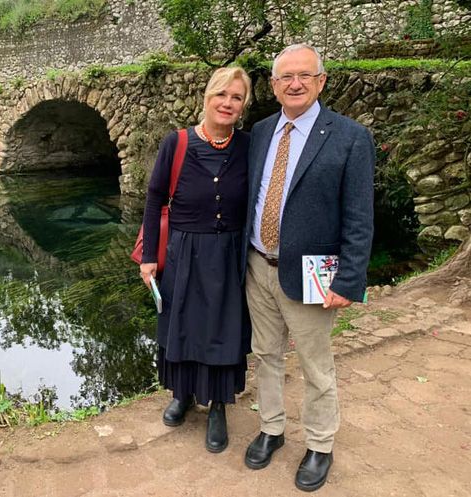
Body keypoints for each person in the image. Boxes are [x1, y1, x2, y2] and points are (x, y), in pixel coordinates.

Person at [242, 43, 374, 491]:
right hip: (258, 265)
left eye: (304, 76)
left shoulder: (350, 137)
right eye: (285, 77)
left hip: (314, 272)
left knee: (317, 365)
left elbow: (359, 216)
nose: (294, 84)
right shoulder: (260, 131)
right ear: (274, 85)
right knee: (266, 355)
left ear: (321, 81)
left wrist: (349, 279)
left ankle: (319, 444)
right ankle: (272, 429)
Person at [139, 66, 252, 453]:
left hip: (229, 254)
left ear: (243, 105)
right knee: (182, 327)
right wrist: (149, 257)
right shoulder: (178, 143)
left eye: (236, 97)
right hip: (183, 252)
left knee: (223, 329)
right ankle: (183, 395)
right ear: (206, 98)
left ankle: (218, 405)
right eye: (221, 94)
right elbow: (154, 199)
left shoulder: (249, 146)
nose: (228, 103)